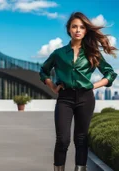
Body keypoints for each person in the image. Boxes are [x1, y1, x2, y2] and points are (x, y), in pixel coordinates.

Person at [39, 12, 117, 171]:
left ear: (86, 31)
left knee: (81, 139)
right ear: (69, 29)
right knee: (62, 140)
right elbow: (43, 71)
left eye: (81, 27)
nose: (78, 30)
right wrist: (53, 87)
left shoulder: (92, 52)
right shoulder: (59, 53)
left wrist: (93, 85)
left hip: (85, 98)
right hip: (65, 98)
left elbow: (110, 73)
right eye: (74, 26)